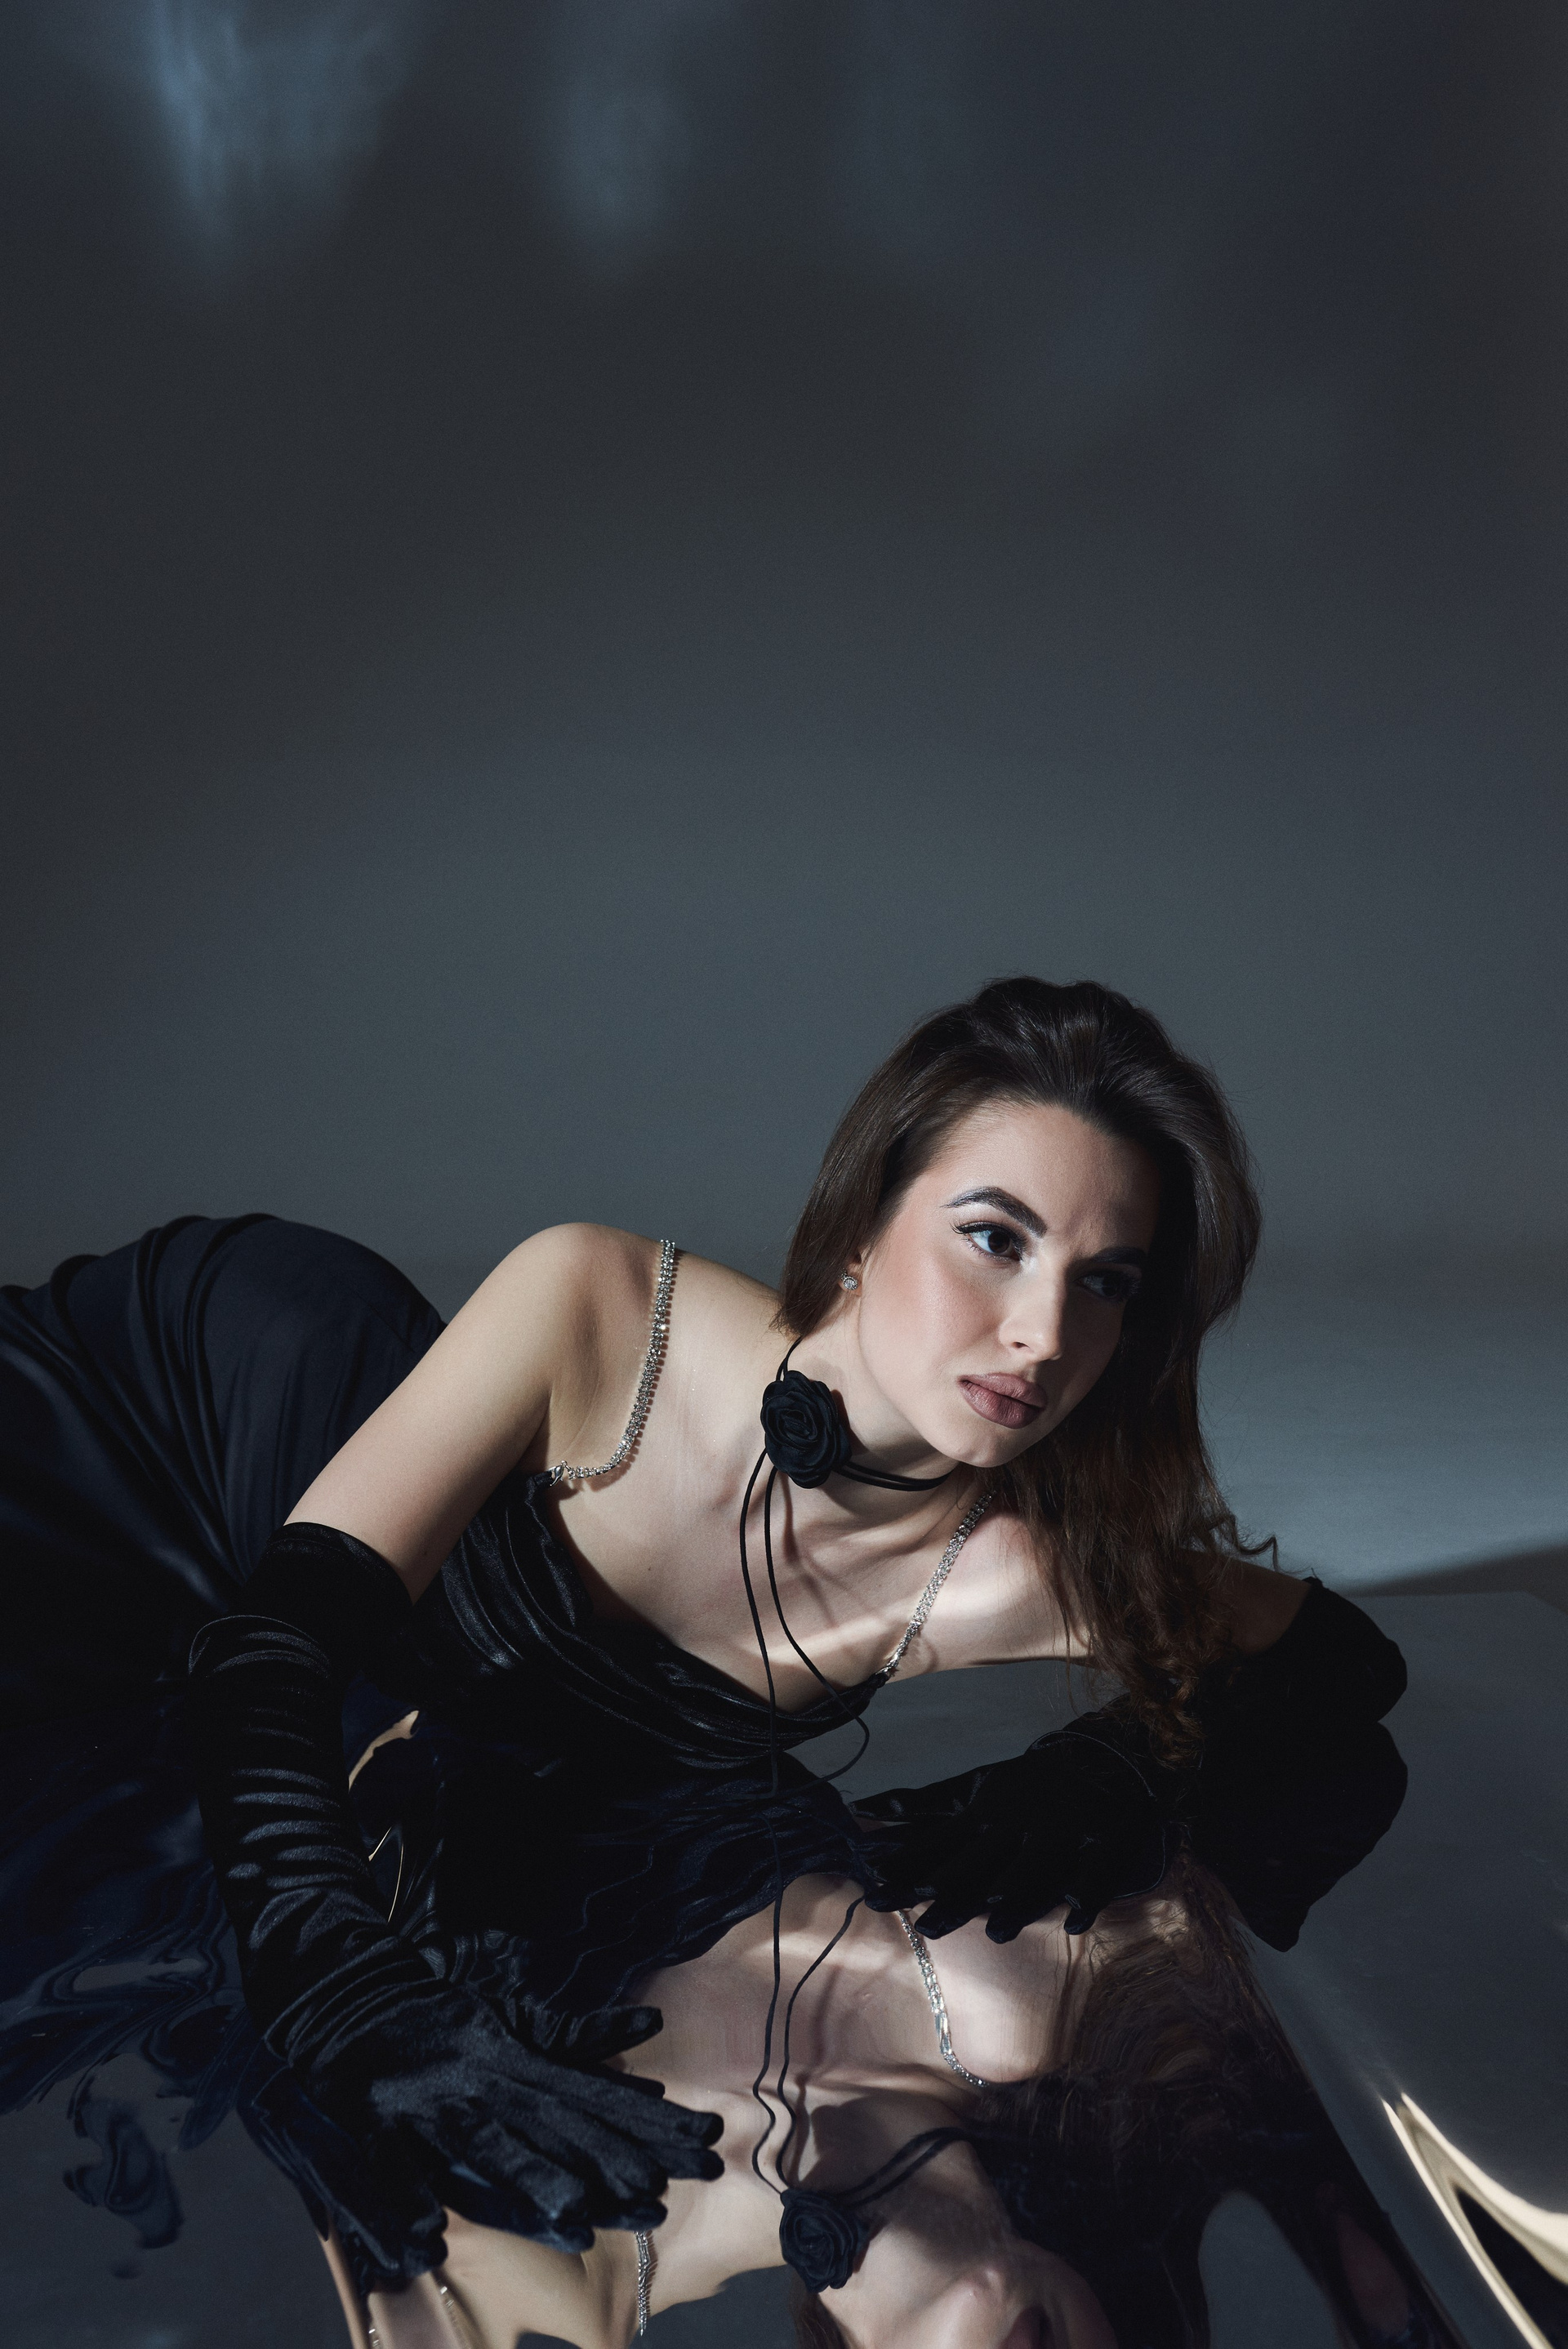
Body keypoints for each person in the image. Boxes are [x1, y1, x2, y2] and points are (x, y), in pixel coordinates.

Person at [0, 977, 1406, 2280]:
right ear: (864, 1222)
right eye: (995, 1238)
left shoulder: (1009, 1574)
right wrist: (347, 1994)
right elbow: (275, 1651)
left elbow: (1343, 1657)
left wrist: (1112, 1768)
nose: (1041, 1333)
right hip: (172, 1422)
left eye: (1105, 1281)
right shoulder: (603, 1306)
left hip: (294, 1676)